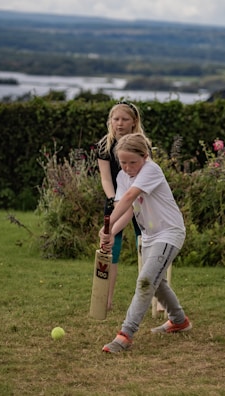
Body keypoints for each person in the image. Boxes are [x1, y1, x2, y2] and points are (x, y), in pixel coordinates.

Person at [99, 133, 192, 353]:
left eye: (133, 162)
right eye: (123, 162)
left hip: (169, 232)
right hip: (149, 236)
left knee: (145, 281)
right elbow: (128, 208)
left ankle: (125, 335)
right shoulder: (122, 176)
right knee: (156, 282)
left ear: (145, 156)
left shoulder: (151, 170)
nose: (128, 167)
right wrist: (111, 232)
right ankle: (179, 321)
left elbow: (131, 196)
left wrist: (107, 225)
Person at [96, 101, 149, 310]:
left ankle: (151, 297)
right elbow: (106, 179)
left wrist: (128, 200)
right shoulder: (104, 145)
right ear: (110, 121)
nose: (119, 123)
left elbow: (142, 179)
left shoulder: (141, 144)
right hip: (115, 201)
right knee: (111, 249)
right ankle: (106, 300)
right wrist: (114, 199)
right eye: (115, 119)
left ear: (133, 121)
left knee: (145, 245)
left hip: (139, 200)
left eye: (124, 119)